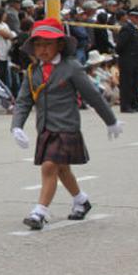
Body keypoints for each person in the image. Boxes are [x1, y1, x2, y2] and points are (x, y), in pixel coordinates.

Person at [10, 18, 122, 230]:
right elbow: (24, 101)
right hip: (45, 128)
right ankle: (81, 200)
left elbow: (93, 96)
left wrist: (111, 120)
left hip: (66, 127)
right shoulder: (33, 71)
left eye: (47, 44)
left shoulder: (71, 67)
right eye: (38, 44)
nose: (42, 49)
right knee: (62, 169)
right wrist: (16, 126)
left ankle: (40, 212)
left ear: (60, 45)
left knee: (49, 166)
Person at [115, 9, 138, 113]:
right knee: (127, 83)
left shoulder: (134, 28)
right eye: (136, 17)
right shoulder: (126, 29)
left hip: (135, 59)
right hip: (127, 59)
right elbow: (120, 46)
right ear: (130, 17)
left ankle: (134, 104)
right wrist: (127, 55)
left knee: (135, 82)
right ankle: (125, 106)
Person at [0, 8, 17, 93]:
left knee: (6, 75)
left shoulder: (5, 24)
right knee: (0, 74)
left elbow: (12, 36)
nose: (6, 16)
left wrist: (11, 34)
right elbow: (7, 35)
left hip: (7, 53)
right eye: (4, 14)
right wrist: (11, 34)